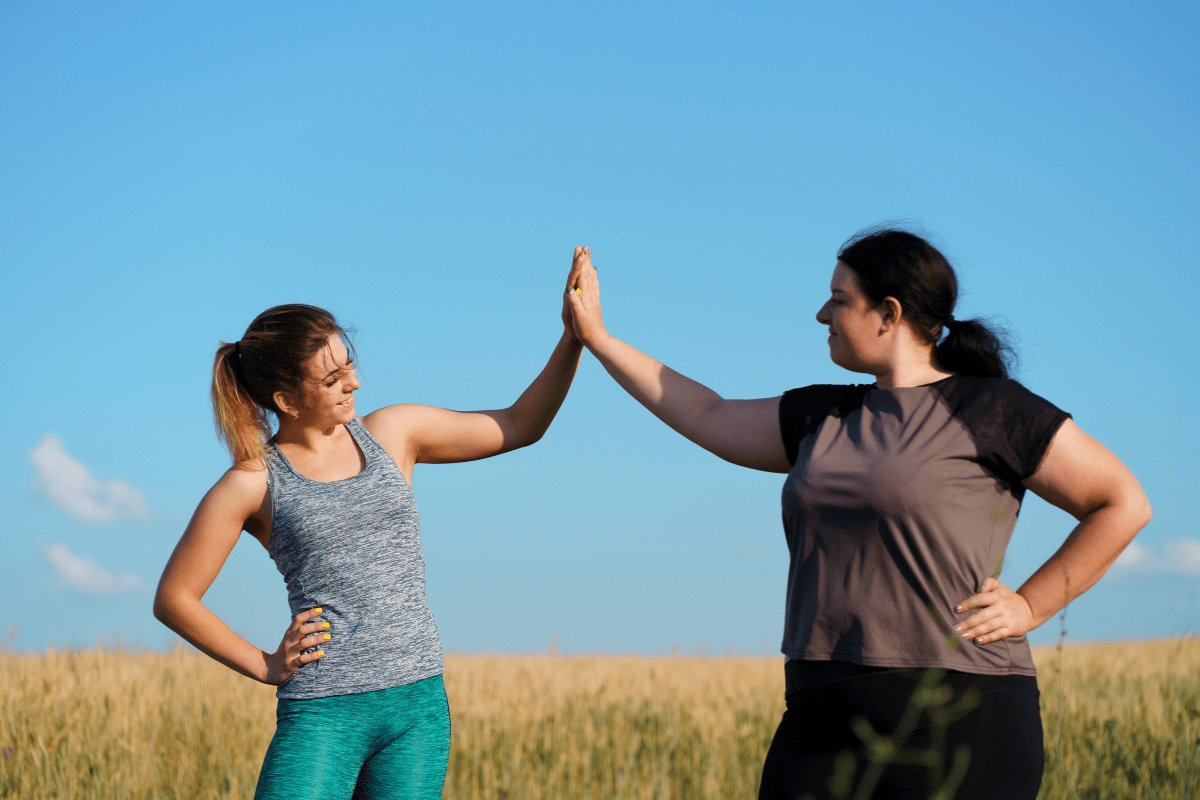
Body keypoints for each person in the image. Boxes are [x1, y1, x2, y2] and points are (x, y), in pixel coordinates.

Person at [561, 229, 1151, 799]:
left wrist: (1030, 605)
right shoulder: (822, 415)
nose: (823, 314)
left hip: (961, 717)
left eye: (840, 300)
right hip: (819, 716)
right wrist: (600, 338)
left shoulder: (990, 410)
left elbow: (1121, 502)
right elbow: (707, 413)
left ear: (888, 314)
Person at [153, 248, 588, 800]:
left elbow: (521, 424)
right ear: (286, 399)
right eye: (333, 378)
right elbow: (174, 598)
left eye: (349, 364)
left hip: (417, 709)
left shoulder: (395, 433)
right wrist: (264, 665)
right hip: (323, 714)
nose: (354, 382)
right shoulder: (253, 482)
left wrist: (573, 339)